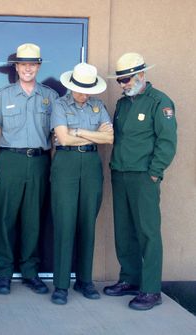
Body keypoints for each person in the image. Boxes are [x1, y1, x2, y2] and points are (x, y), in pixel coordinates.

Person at [104, 52, 177, 310]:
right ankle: (130, 280)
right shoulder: (123, 105)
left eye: (127, 79)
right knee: (124, 230)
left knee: (147, 232)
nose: (123, 84)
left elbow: (167, 142)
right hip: (121, 174)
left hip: (144, 177)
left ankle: (150, 290)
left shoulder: (159, 102)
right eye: (120, 80)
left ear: (141, 75)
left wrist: (154, 172)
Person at [0, 43, 58, 295]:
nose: (27, 69)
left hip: (39, 162)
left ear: (38, 67)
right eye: (23, 64)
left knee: (33, 220)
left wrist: (54, 167)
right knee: (6, 218)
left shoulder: (51, 96)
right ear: (16, 67)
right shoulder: (2, 95)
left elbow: (55, 135)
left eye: (32, 64)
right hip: (10, 160)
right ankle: (4, 272)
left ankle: (30, 271)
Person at [50, 63, 113, 305]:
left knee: (88, 221)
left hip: (91, 164)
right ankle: (61, 285)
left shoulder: (98, 106)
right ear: (71, 85)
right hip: (65, 164)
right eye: (80, 89)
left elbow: (109, 137)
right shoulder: (60, 104)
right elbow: (62, 138)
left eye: (88, 90)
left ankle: (84, 280)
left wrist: (79, 132)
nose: (84, 94)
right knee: (65, 222)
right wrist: (88, 133)